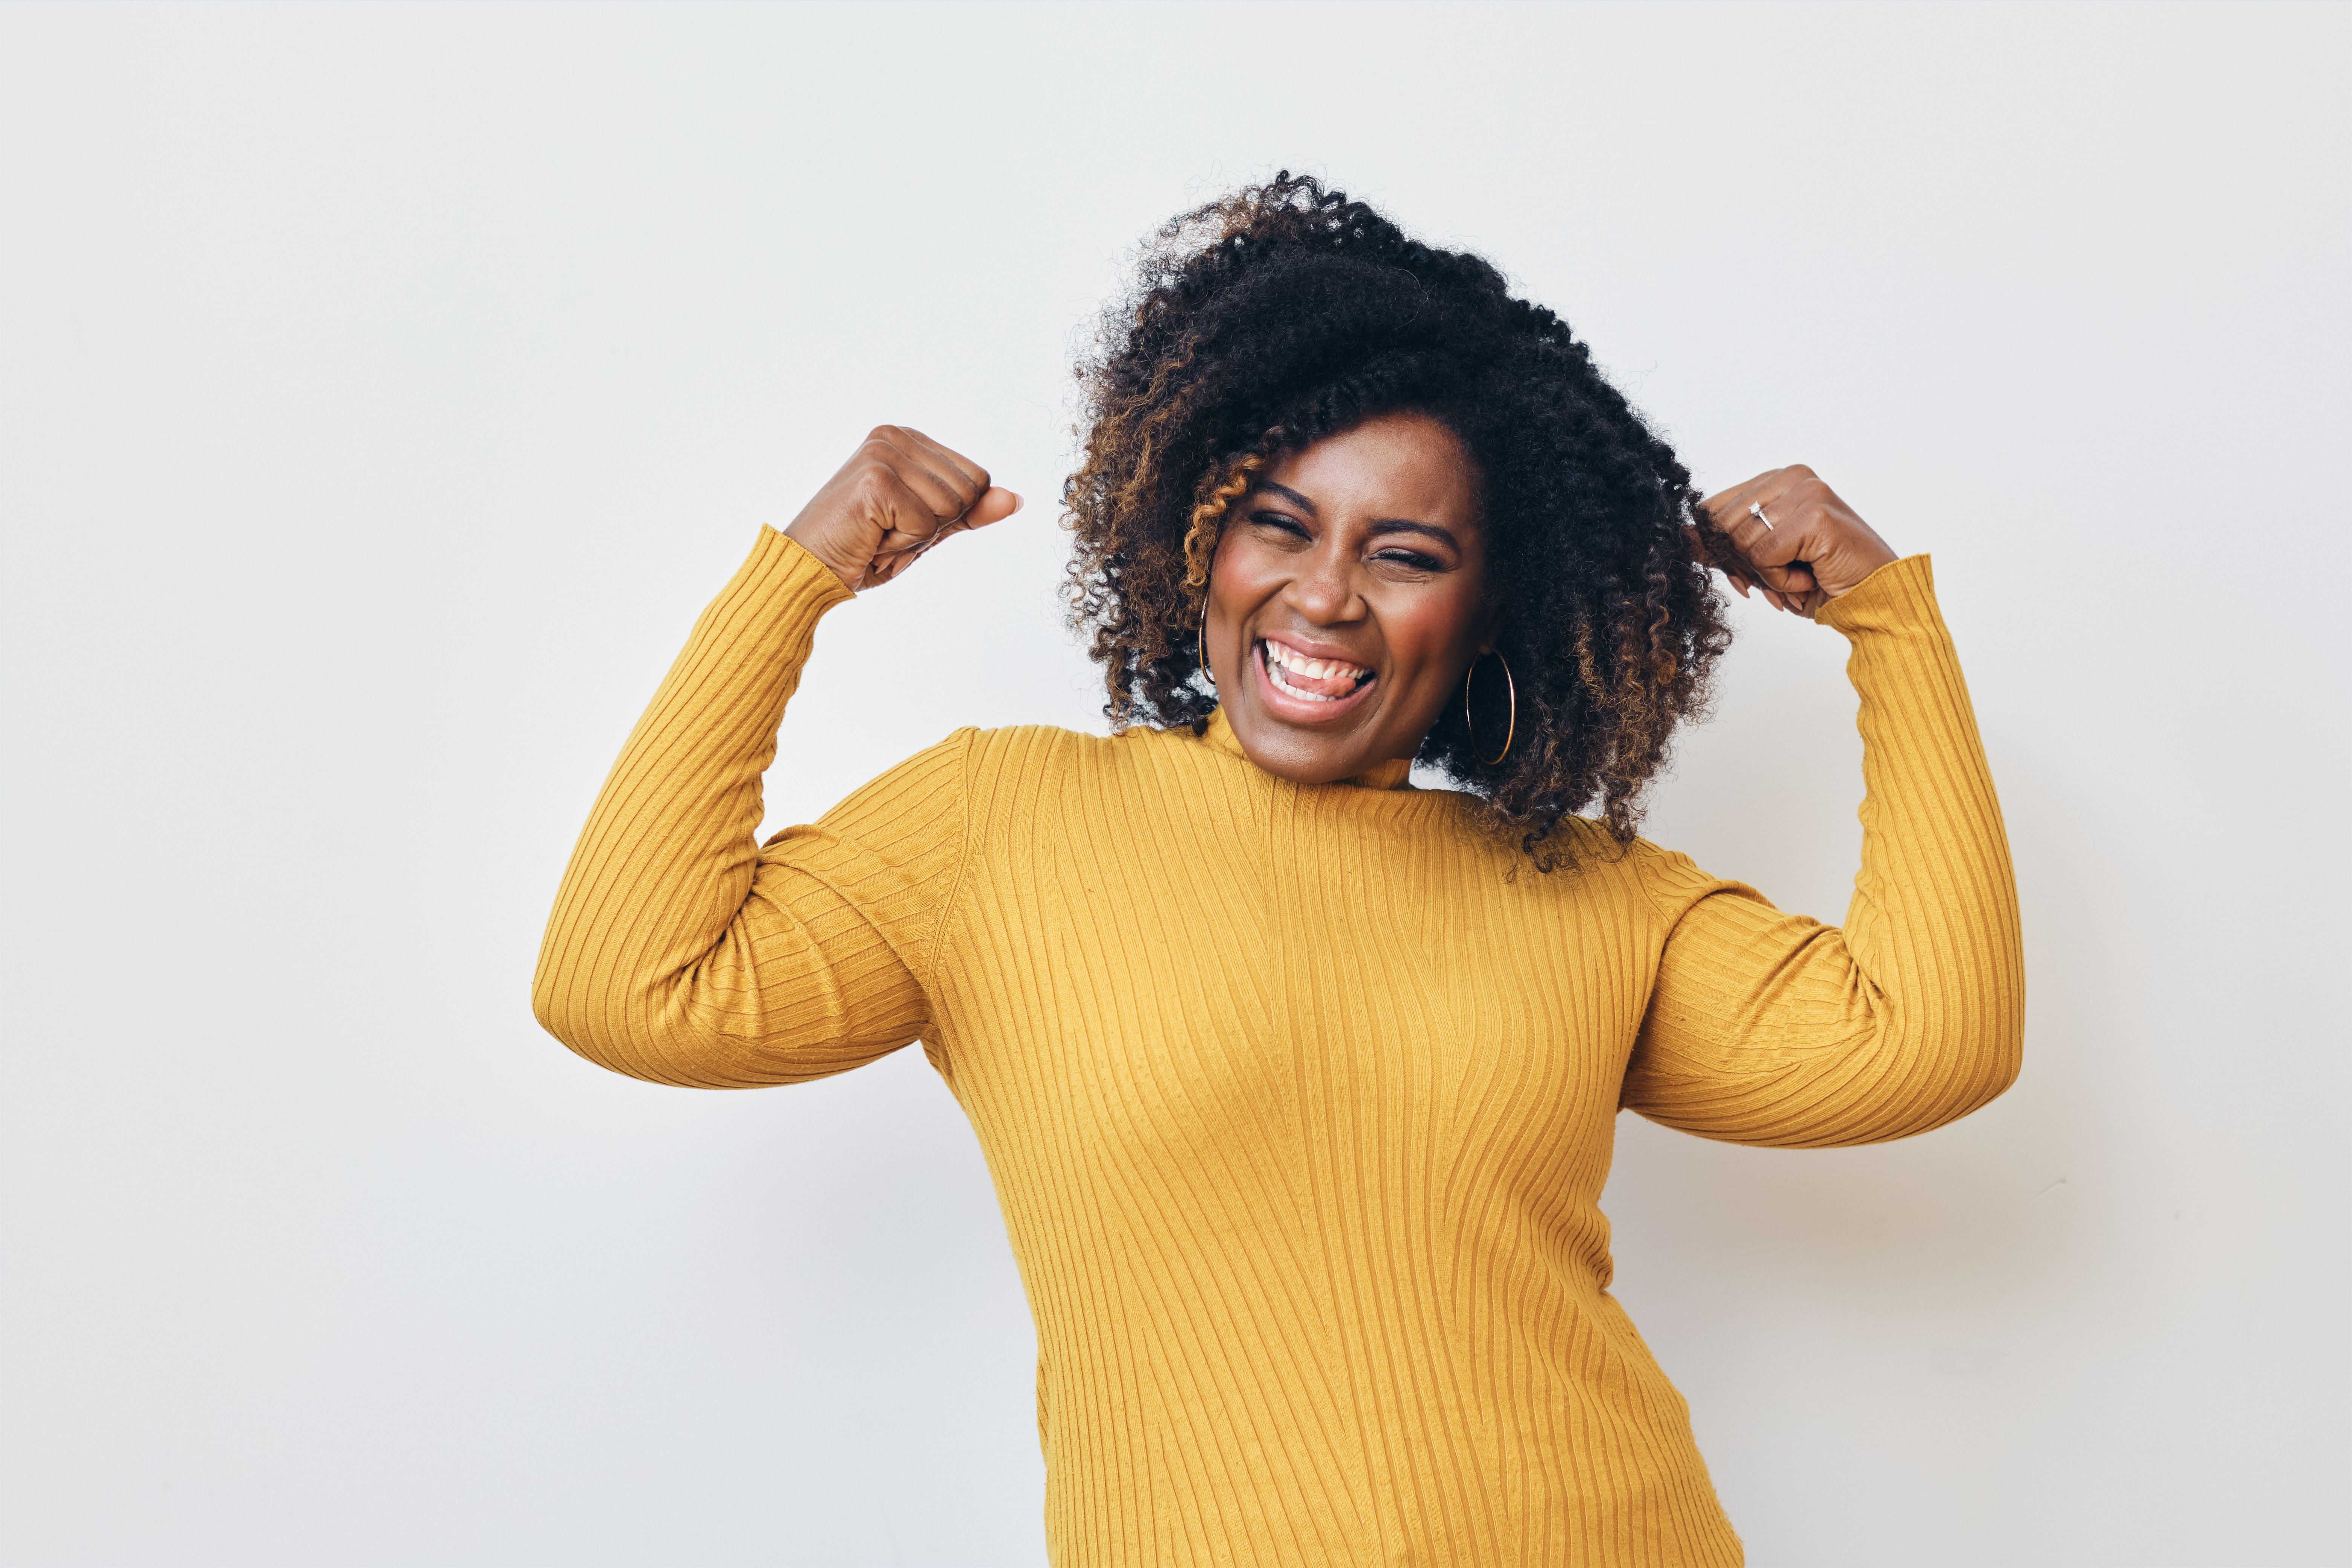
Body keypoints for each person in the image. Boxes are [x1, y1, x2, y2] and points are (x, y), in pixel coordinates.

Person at [533, 174, 2023, 1566]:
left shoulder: (1586, 893)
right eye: (1279, 524)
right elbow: (632, 987)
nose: (1324, 594)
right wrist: (793, 584)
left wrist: (1893, 631)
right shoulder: (999, 821)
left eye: (1408, 552)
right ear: (1196, 540)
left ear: (1497, 604)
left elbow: (1929, 1039)